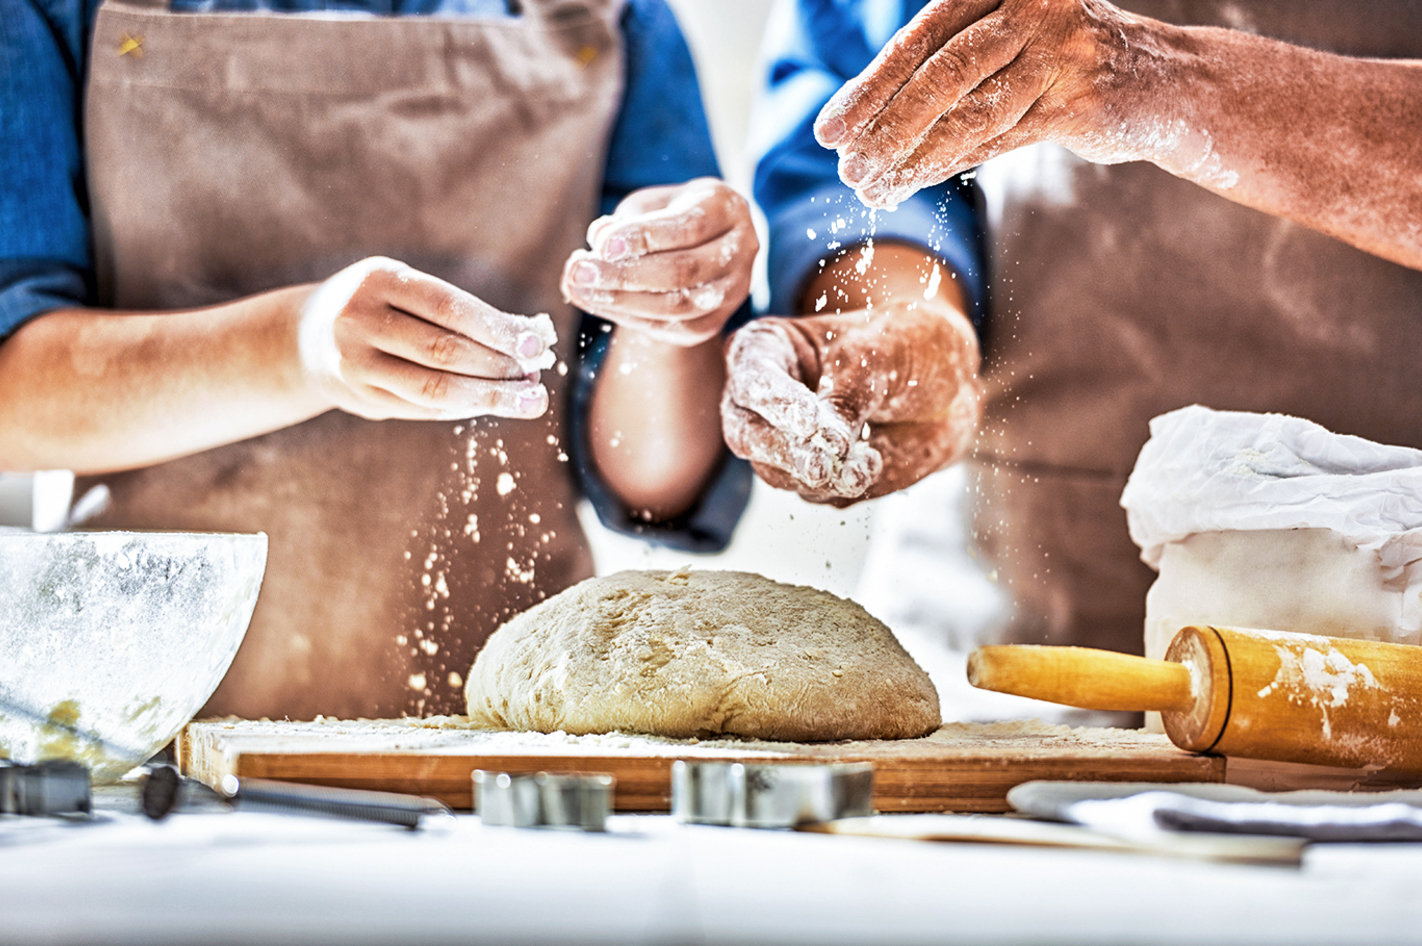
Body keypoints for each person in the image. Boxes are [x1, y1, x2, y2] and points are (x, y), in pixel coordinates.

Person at [0, 0, 756, 718]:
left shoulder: (613, 18)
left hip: (505, 748)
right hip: (151, 735)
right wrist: (296, 346)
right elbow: (14, 402)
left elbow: (656, 485)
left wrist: (667, 315)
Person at [726, 0, 1422, 661]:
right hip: (1002, 609)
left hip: (1390, 601)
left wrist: (1147, 76)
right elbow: (867, 97)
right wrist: (911, 317)